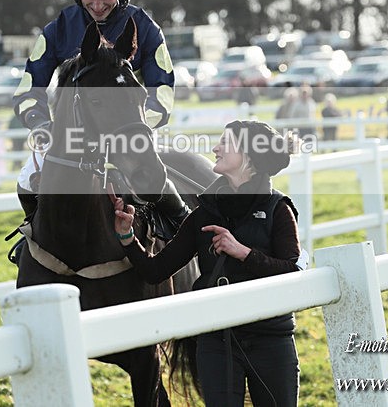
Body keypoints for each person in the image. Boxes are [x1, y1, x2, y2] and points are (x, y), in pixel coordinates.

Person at [113, 120, 302, 406]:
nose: (215, 148)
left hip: (271, 340)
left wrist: (243, 252)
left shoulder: (278, 209)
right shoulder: (204, 213)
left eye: (225, 143)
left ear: (248, 155)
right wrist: (127, 237)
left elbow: (292, 274)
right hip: (216, 341)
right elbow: (156, 271)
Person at [10, 0, 186, 229]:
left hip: (129, 132)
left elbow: (163, 95)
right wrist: (42, 126)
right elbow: (28, 92)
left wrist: (129, 130)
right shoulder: (57, 30)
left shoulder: (145, 28)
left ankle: (184, 226)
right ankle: (34, 235)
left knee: (155, 181)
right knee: (27, 180)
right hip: (71, 138)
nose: (98, 3)